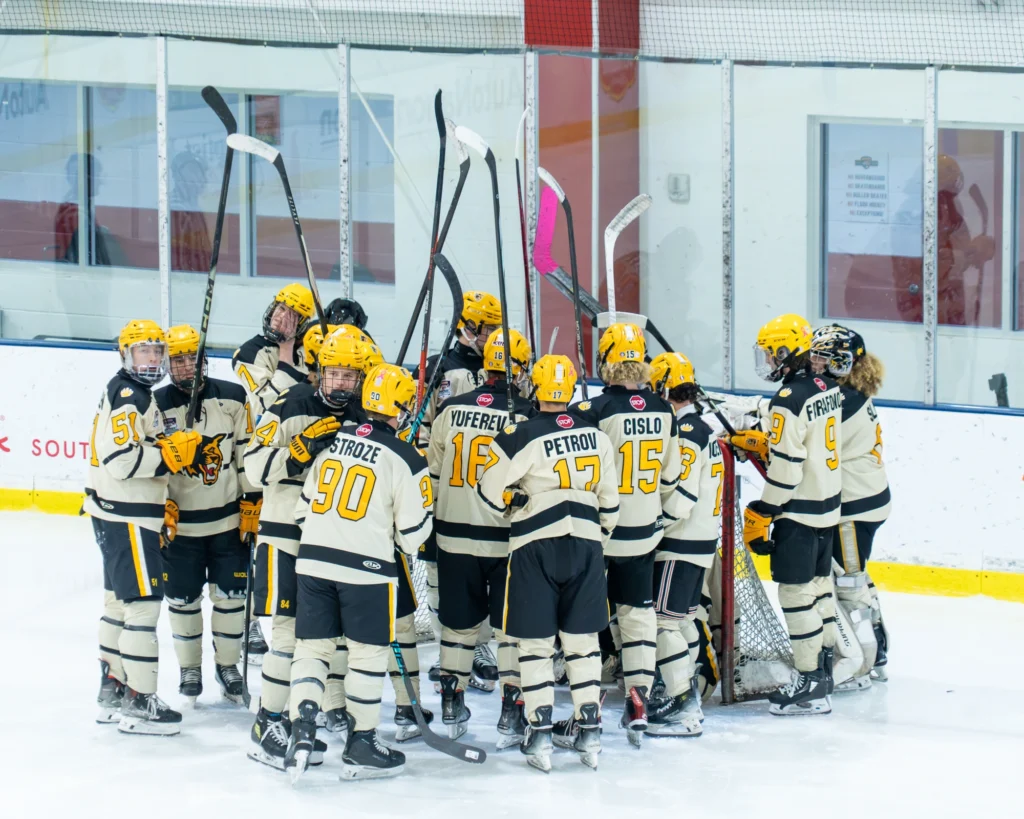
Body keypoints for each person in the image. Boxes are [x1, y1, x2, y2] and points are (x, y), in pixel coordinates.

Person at [286, 363, 433, 782]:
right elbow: (413, 537)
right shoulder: (407, 456)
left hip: (313, 561)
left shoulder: (335, 439)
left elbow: (302, 510)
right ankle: (362, 742)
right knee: (367, 656)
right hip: (367, 570)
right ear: (401, 408)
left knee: (312, 651)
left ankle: (301, 730)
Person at [477, 355, 619, 773]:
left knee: (535, 646)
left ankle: (539, 731)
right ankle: (590, 729)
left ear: (535, 388)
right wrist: (594, 536)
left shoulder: (518, 434)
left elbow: (487, 493)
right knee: (582, 643)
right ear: (571, 389)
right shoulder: (596, 435)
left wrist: (516, 502)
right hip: (587, 545)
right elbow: (610, 504)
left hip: (534, 546)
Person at [242, 332, 368, 768]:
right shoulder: (290, 404)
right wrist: (295, 454)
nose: (340, 383)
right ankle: (266, 722)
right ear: (319, 371)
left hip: (332, 541)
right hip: (284, 535)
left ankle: (305, 717)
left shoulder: (362, 416)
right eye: (333, 373)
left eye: (349, 375)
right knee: (287, 633)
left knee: (323, 638)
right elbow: (253, 467)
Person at [86, 320, 202, 735]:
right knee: (142, 605)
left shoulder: (132, 391)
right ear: (125, 354)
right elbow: (121, 460)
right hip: (128, 516)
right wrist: (168, 457)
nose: (152, 359)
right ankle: (140, 700)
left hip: (115, 513)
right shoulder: (129, 395)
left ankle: (113, 689)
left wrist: (165, 452)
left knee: (118, 604)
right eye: (143, 351)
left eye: (157, 351)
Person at [570, 322, 681, 746]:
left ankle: (587, 703)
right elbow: (670, 476)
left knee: (584, 615)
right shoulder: (664, 409)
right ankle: (639, 700)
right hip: (644, 530)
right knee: (637, 614)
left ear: (606, 360)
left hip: (599, 529)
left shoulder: (593, 410)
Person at [729, 313, 842, 716]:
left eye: (769, 353)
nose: (767, 361)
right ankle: (824, 671)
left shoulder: (787, 399)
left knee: (795, 594)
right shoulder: (827, 386)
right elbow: (808, 443)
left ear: (784, 352)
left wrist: (764, 510)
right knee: (819, 589)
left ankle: (810, 680)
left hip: (799, 512)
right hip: (828, 507)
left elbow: (789, 468)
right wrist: (768, 443)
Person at [427, 328, 535, 746]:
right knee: (510, 629)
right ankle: (512, 709)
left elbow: (434, 476)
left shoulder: (451, 409)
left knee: (457, 626)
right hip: (506, 538)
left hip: (452, 537)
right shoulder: (525, 414)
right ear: (519, 369)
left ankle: (451, 701)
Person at [154, 325, 255, 706]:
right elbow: (151, 464)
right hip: (181, 529)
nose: (186, 367)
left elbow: (246, 454)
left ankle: (228, 666)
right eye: (177, 360)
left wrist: (252, 500)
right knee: (182, 600)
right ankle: (190, 669)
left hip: (227, 524)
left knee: (232, 599)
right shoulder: (155, 404)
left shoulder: (233, 397)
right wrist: (159, 503)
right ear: (168, 365)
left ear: (203, 360)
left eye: (191, 359)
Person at [415, 291, 503, 689]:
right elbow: (421, 429)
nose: (494, 335)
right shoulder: (439, 368)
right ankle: (447, 647)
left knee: (483, 577)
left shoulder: (501, 370)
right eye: (488, 328)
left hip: (489, 499)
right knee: (440, 577)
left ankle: (478, 646)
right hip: (447, 492)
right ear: (467, 327)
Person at [645, 351, 724, 736]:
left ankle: (682, 705)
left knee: (662, 624)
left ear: (664, 388)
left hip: (681, 542)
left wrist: (651, 525)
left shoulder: (687, 433)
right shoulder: (700, 427)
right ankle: (684, 692)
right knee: (682, 621)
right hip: (699, 542)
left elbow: (682, 497)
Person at [810, 325, 892, 688]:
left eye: (822, 357)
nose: (815, 363)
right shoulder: (852, 391)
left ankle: (862, 664)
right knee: (856, 578)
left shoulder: (842, 399)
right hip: (868, 497)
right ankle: (879, 654)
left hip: (854, 508)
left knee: (848, 583)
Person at [232, 283, 313, 417]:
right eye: (281, 308)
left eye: (292, 315)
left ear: (302, 324)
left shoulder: (309, 348)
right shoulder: (248, 353)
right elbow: (270, 404)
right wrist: (286, 348)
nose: (282, 317)